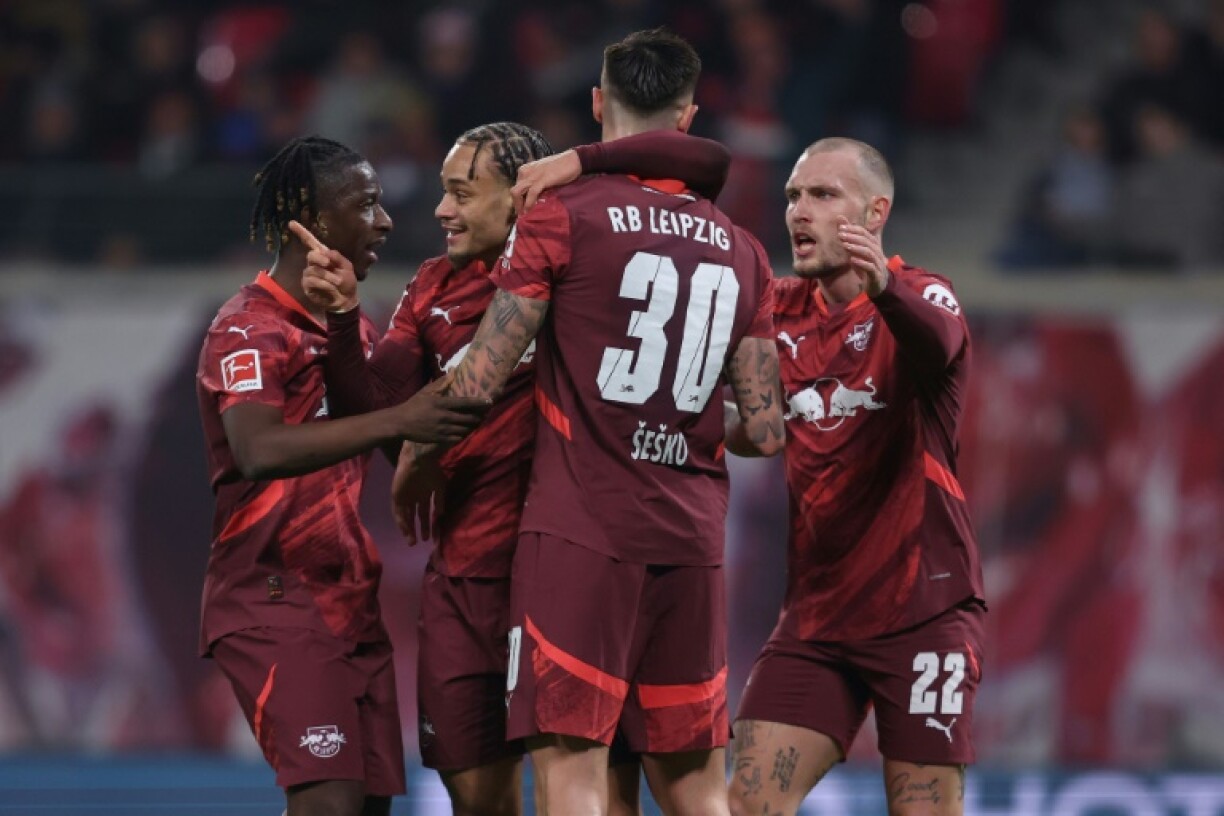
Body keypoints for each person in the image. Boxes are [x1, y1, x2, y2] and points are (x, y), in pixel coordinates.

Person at [301, 121, 733, 816]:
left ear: (522, 196)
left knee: (599, 790)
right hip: (466, 581)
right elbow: (380, 412)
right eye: (443, 192)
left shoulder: (580, 275)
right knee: (479, 800)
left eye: (462, 193)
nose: (442, 211)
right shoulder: (432, 284)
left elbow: (707, 158)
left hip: (573, 573)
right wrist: (347, 320)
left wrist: (582, 160)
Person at [443, 28, 785, 816]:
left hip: (581, 536)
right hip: (692, 544)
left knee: (571, 773)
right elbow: (766, 432)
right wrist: (684, 410)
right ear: (689, 115)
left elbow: (480, 380)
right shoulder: (745, 252)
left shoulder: (562, 216)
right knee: (697, 785)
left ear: (598, 104)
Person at [195, 135, 489, 816]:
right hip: (271, 600)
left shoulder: (344, 331)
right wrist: (402, 419)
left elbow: (404, 441)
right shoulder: (246, 328)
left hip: (350, 605)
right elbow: (258, 450)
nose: (384, 220)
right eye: (367, 204)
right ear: (313, 216)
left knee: (369, 808)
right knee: (329, 802)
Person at [726, 138, 986, 816]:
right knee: (747, 805)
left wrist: (885, 290)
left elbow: (942, 342)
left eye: (822, 195)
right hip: (816, 621)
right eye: (792, 196)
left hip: (924, 614)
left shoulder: (924, 294)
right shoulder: (776, 310)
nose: (798, 212)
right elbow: (754, 427)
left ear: (875, 212)